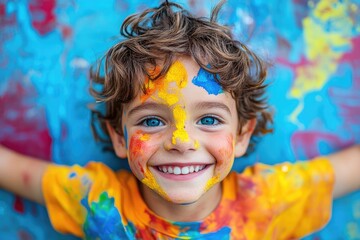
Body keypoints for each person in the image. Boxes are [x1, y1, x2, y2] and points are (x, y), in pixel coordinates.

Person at [0, 0, 359, 239]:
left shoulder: (266, 203)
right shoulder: (97, 202)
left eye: (210, 120)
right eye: (153, 122)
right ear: (120, 138)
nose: (182, 141)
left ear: (243, 134)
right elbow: (13, 169)